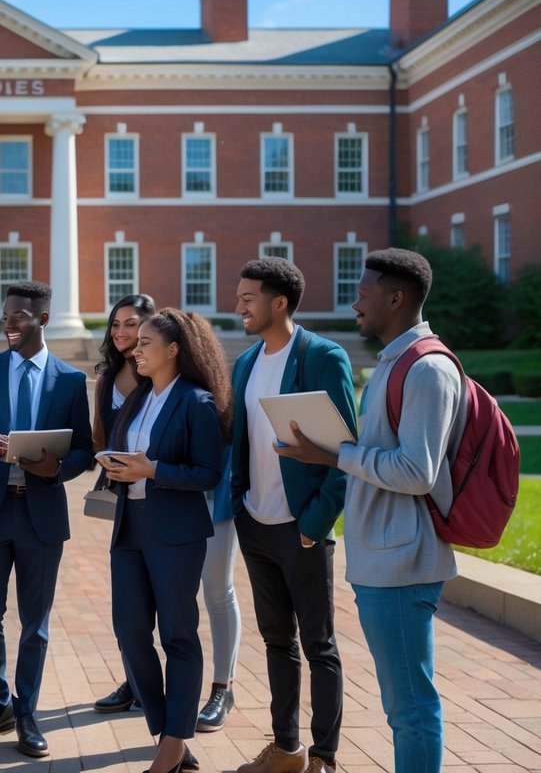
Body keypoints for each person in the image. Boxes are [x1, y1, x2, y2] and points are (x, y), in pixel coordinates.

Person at [275, 248, 463, 773]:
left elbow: (416, 471)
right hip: (383, 557)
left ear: (397, 298)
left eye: (363, 292)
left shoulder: (426, 368)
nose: (354, 301)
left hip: (401, 562)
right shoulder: (394, 361)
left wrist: (334, 453)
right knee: (401, 706)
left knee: (410, 710)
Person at [0, 281, 94, 758]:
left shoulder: (71, 381)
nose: (9, 323)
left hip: (41, 515)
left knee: (34, 622)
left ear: (43, 319)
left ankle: (28, 710)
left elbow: (84, 452)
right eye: (5, 315)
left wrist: (57, 469)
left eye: (19, 316)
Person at [229, 258, 355, 773]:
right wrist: (241, 507)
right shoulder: (245, 361)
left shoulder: (323, 356)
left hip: (302, 529)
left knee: (318, 644)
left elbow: (347, 452)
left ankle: (324, 756)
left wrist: (314, 524)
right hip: (255, 523)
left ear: (279, 302)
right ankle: (286, 750)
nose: (238, 306)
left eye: (247, 298)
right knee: (276, 642)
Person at [98, 308, 230, 773]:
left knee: (177, 634)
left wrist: (150, 469)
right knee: (130, 633)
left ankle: (173, 743)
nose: (135, 348)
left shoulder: (196, 402)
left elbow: (208, 473)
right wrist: (117, 467)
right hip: (129, 526)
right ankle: (167, 731)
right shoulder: (137, 399)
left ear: (174, 349)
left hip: (176, 531)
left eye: (146, 342)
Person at [90, 294, 156, 715]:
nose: (120, 333)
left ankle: (156, 688)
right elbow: (98, 436)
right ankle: (133, 681)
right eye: (115, 324)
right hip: (120, 500)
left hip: (160, 498)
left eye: (130, 325)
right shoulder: (107, 376)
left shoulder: (160, 376)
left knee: (163, 605)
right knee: (128, 605)